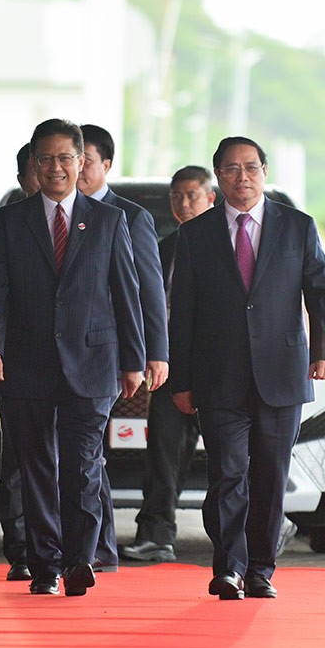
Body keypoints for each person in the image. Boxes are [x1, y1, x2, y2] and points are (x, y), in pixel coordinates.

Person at [0, 118, 144, 597]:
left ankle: (79, 559)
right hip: (24, 364)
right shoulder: (7, 223)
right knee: (36, 469)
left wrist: (134, 359)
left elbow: (126, 294)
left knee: (84, 465)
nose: (56, 167)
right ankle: (45, 565)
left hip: (92, 363)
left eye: (65, 158)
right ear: (34, 163)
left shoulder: (109, 221)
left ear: (81, 161)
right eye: (45, 159)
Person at [169, 136, 325, 600]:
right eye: (231, 169)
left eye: (250, 167)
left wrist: (324, 352)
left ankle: (261, 569)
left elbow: (322, 292)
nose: (241, 177)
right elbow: (182, 312)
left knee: (269, 477)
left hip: (282, 373)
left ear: (264, 172)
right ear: (218, 177)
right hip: (218, 376)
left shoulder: (297, 226)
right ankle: (229, 568)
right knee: (226, 476)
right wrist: (182, 380)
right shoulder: (196, 234)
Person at [79, 123, 169, 571]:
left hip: (110, 354)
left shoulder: (130, 217)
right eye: (71, 159)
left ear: (107, 164)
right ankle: (91, 545)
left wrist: (154, 353)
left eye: (86, 161)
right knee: (81, 454)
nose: (76, 169)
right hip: (62, 353)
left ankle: (96, 547)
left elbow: (148, 290)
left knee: (88, 452)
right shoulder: (51, 213)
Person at [122, 165, 215, 562]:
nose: (183, 202)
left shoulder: (227, 246)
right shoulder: (163, 248)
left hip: (217, 369)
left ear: (211, 198)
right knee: (161, 454)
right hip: (169, 368)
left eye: (192, 195)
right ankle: (156, 535)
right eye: (177, 196)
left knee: (232, 460)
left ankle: (244, 535)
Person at [0, 142, 39, 581]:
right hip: (19, 364)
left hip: (80, 365)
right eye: (38, 167)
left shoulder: (96, 220)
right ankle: (23, 550)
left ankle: (68, 548)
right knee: (18, 460)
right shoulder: (6, 224)